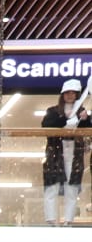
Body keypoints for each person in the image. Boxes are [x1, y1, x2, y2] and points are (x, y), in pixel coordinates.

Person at [42, 80, 91, 227]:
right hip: (56, 152)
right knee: (52, 185)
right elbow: (46, 126)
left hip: (74, 152)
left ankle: (69, 220)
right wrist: (64, 117)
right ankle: (51, 219)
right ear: (63, 94)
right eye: (67, 93)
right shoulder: (53, 111)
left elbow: (87, 129)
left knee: (72, 186)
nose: (70, 95)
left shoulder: (81, 111)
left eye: (73, 93)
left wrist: (86, 119)